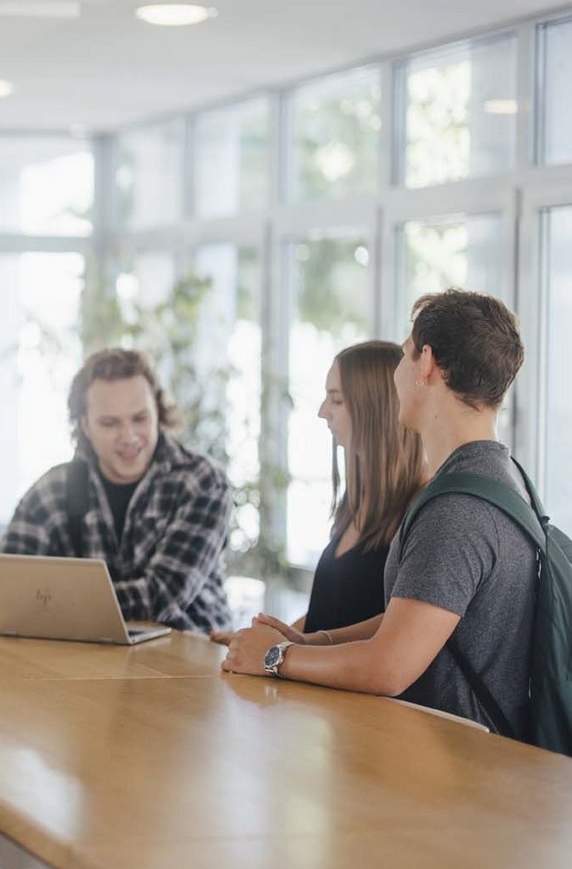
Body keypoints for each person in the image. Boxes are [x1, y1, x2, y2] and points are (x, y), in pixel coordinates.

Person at [223, 290, 535, 735]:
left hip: (457, 773)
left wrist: (274, 658)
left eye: (404, 356)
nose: (397, 374)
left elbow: (388, 666)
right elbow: (410, 619)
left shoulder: (457, 509)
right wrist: (313, 641)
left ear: (425, 363)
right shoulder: (496, 477)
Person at [0, 347, 232, 631]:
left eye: (140, 418)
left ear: (157, 412)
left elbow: (161, 596)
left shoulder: (202, 483)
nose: (128, 437)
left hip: (195, 658)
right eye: (109, 423)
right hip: (94, 658)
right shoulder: (54, 490)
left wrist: (47, 602)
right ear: (85, 426)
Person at [211, 341, 425, 646]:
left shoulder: (423, 507)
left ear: (374, 407)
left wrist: (288, 647)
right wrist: (269, 638)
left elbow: (399, 626)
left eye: (336, 400)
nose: (323, 412)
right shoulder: (357, 499)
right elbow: (326, 615)